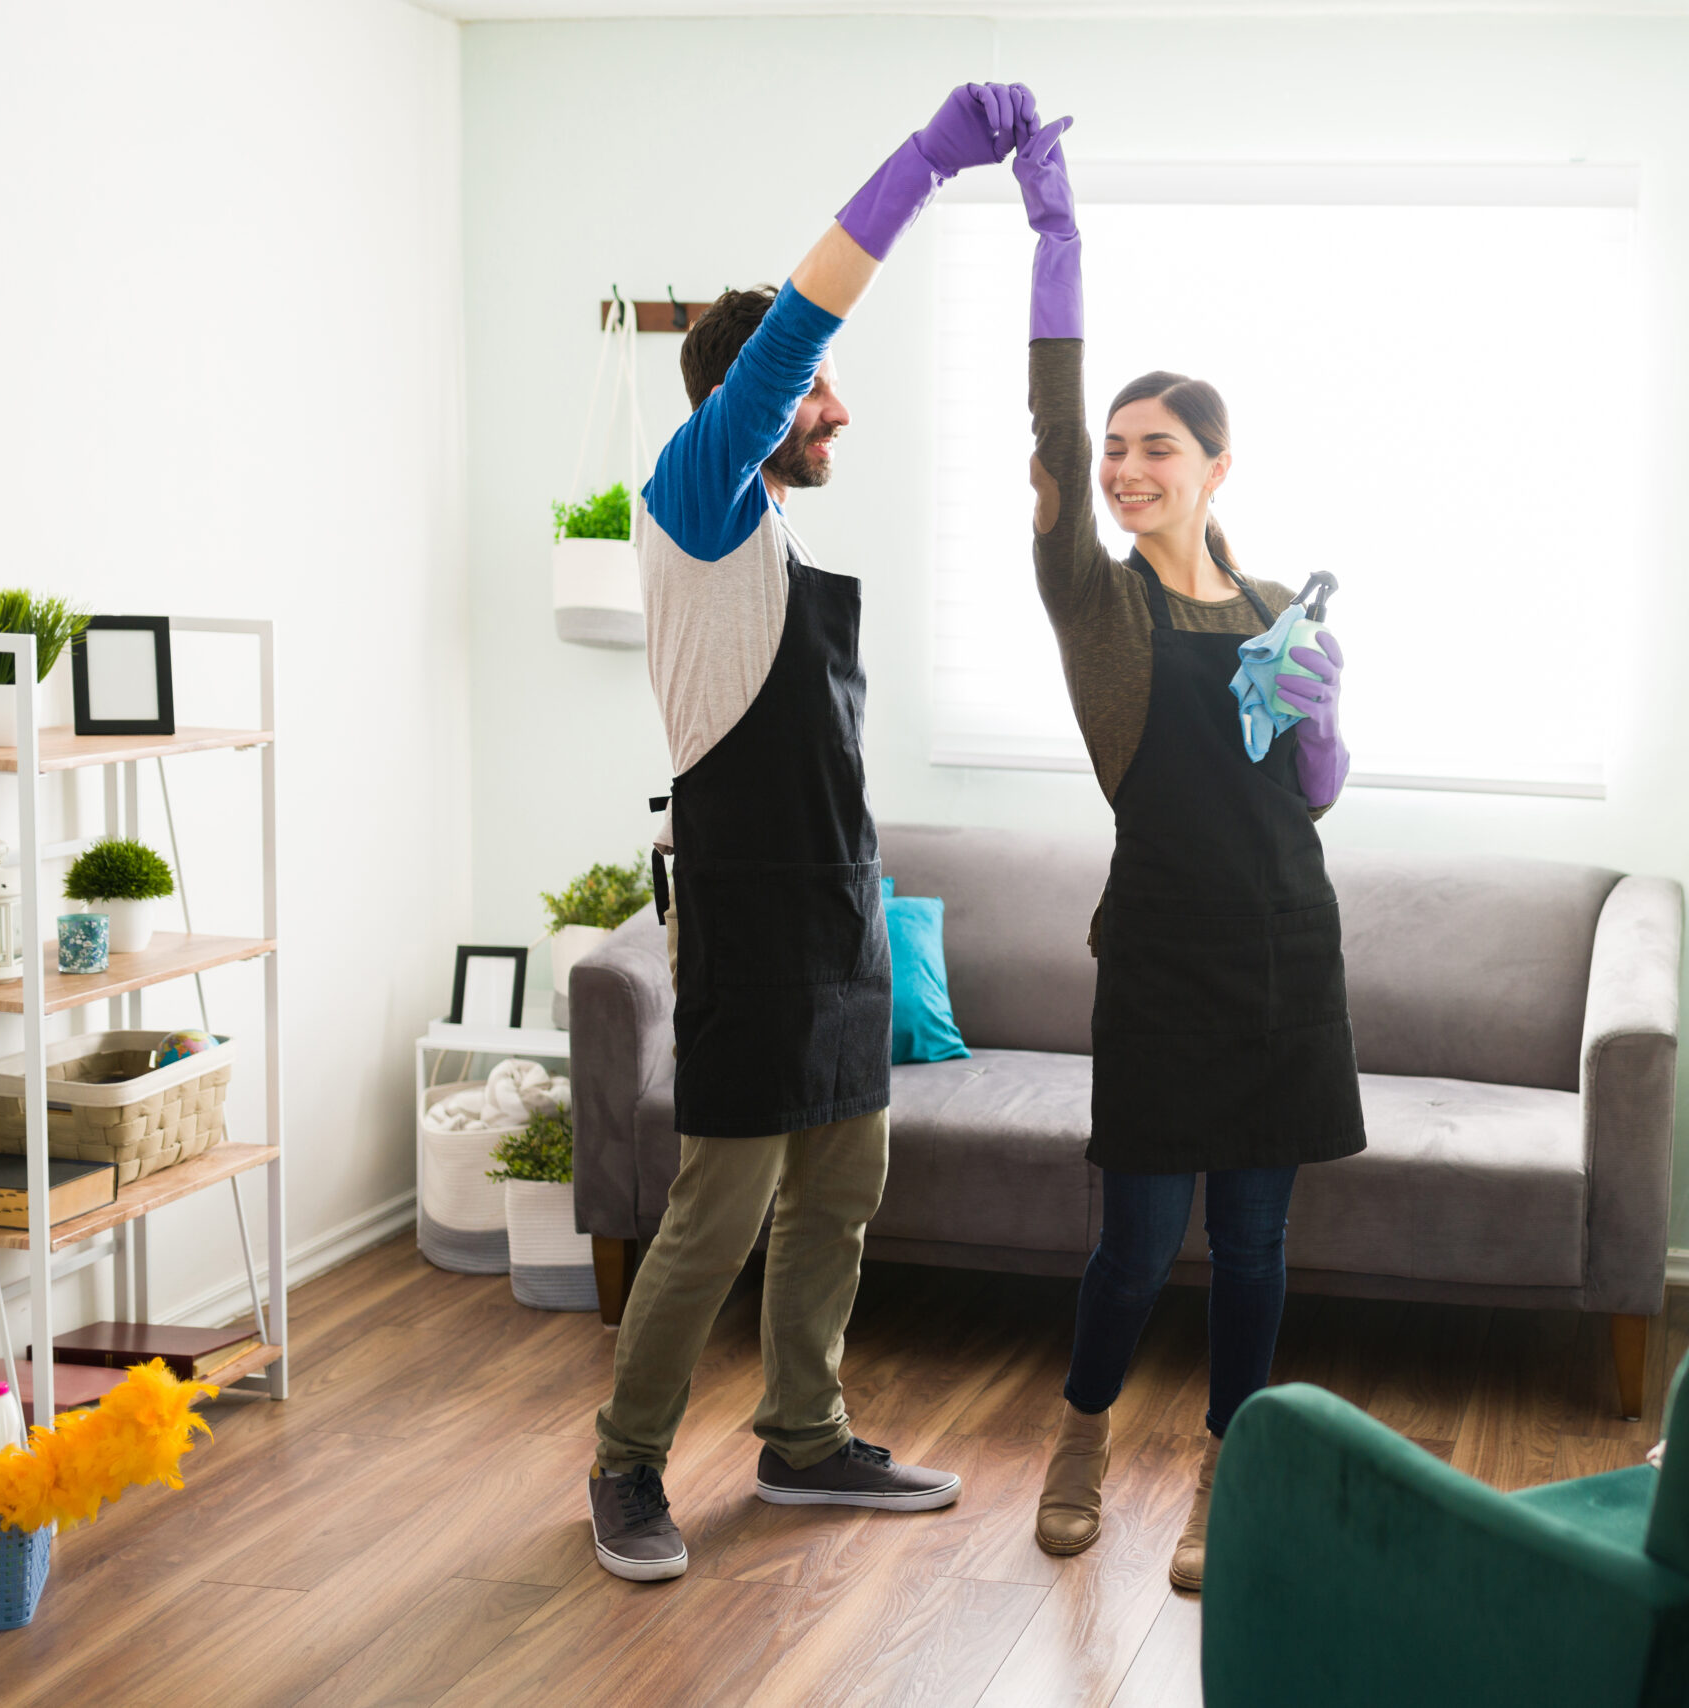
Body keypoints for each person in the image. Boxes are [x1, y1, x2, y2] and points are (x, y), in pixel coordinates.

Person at [585, 82, 1040, 1584]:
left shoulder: (772, 539)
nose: (837, 407)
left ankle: (801, 1439)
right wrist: (925, 165)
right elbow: (791, 337)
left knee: (845, 1187)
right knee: (719, 1208)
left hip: (837, 906)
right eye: (818, 390)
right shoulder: (698, 501)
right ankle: (628, 1467)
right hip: (744, 913)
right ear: (760, 407)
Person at [1009, 114, 1366, 1593]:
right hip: (1158, 957)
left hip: (1288, 948)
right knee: (1139, 1247)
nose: (1125, 467)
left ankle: (1229, 1476)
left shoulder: (1278, 594)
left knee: (1262, 1247)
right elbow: (1048, 431)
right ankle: (1083, 1439)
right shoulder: (1092, 599)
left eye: (1158, 447)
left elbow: (1316, 794)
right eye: (1115, 449)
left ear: (1219, 463)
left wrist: (1324, 710)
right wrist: (1058, 247)